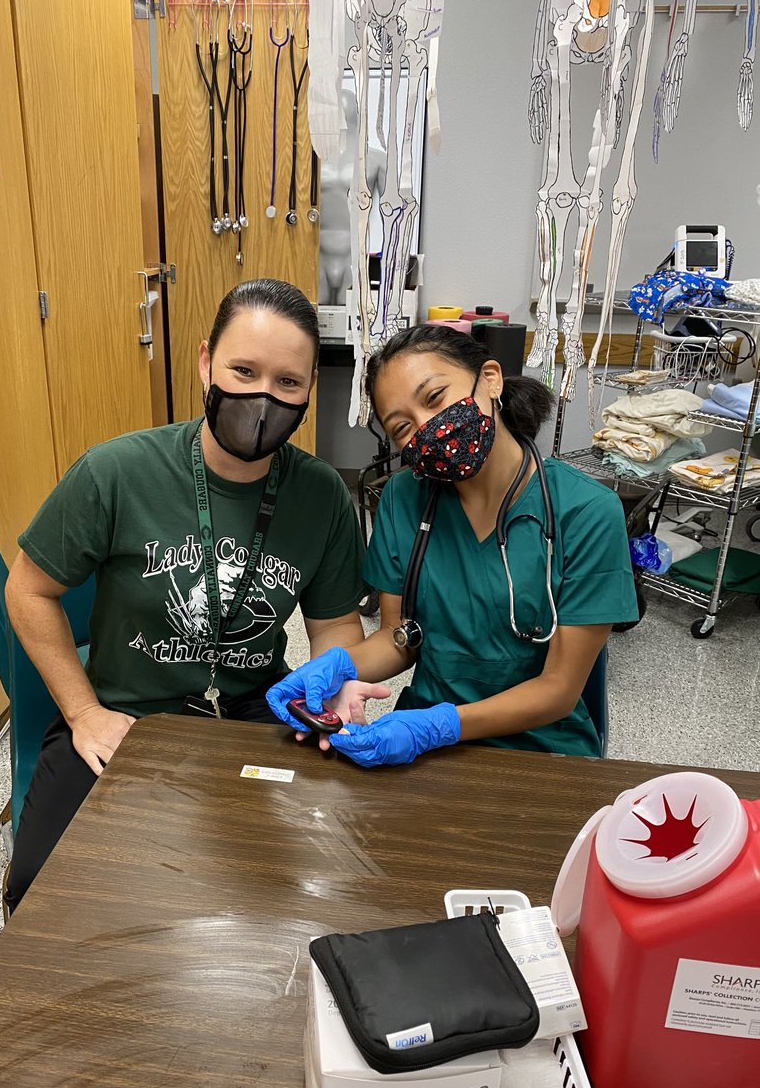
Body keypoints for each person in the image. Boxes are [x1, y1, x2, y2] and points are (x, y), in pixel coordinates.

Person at [4, 279, 366, 910]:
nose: (262, 398)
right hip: (126, 715)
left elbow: (335, 626)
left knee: (307, 882)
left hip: (260, 713)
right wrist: (84, 713)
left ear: (312, 390)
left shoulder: (322, 496)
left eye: (288, 383)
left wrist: (332, 689)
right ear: (206, 362)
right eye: (243, 370)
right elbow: (29, 589)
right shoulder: (116, 471)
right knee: (42, 894)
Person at [267, 324, 639, 766]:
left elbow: (558, 691)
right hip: (422, 746)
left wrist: (440, 727)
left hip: (541, 749)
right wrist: (335, 668)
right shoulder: (404, 500)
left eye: (435, 398)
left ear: (491, 379)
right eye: (402, 426)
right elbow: (397, 638)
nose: (427, 428)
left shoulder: (586, 512)